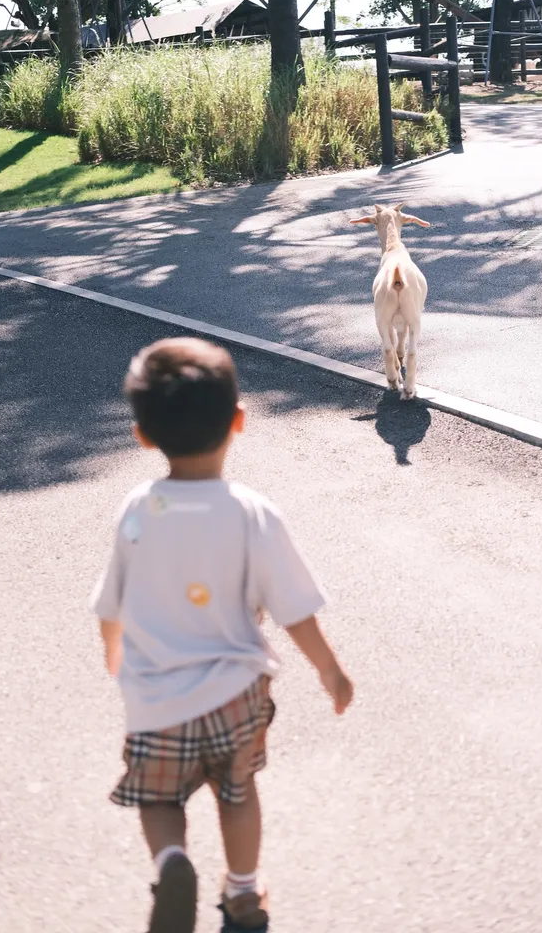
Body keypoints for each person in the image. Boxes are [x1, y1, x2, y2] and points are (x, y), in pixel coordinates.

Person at [92, 336, 354, 933]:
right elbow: (294, 610)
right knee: (237, 795)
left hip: (156, 697)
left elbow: (111, 603)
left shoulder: (137, 508)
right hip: (235, 693)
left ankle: (172, 860)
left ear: (143, 435)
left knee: (157, 798)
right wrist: (329, 670)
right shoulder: (250, 512)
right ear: (238, 422)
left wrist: (114, 654)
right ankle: (241, 894)